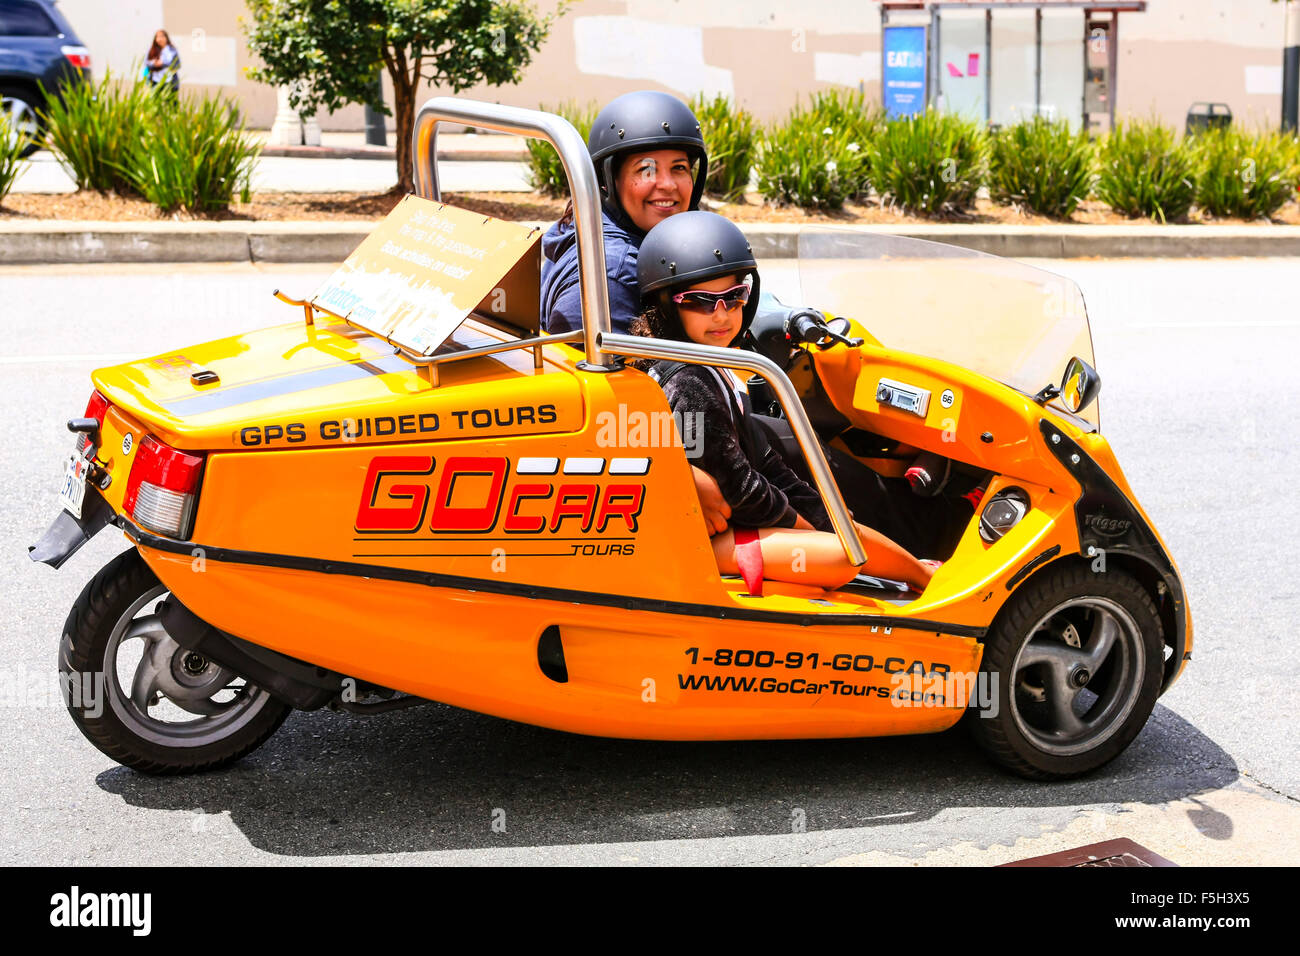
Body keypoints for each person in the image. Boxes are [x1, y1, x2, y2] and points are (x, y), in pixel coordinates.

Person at [633, 211, 936, 594]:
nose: (722, 314)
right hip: (700, 539)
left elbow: (767, 466)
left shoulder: (715, 366)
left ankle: (920, 575)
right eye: (700, 301)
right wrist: (802, 526)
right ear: (666, 305)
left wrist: (823, 516)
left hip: (730, 522)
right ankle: (918, 575)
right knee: (842, 555)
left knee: (844, 533)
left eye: (733, 297)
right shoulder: (688, 382)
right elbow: (738, 489)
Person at [539, 91, 708, 337]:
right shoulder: (615, 276)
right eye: (646, 169)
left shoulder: (587, 225)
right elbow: (582, 367)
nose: (668, 185)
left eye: (679, 168)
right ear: (608, 180)